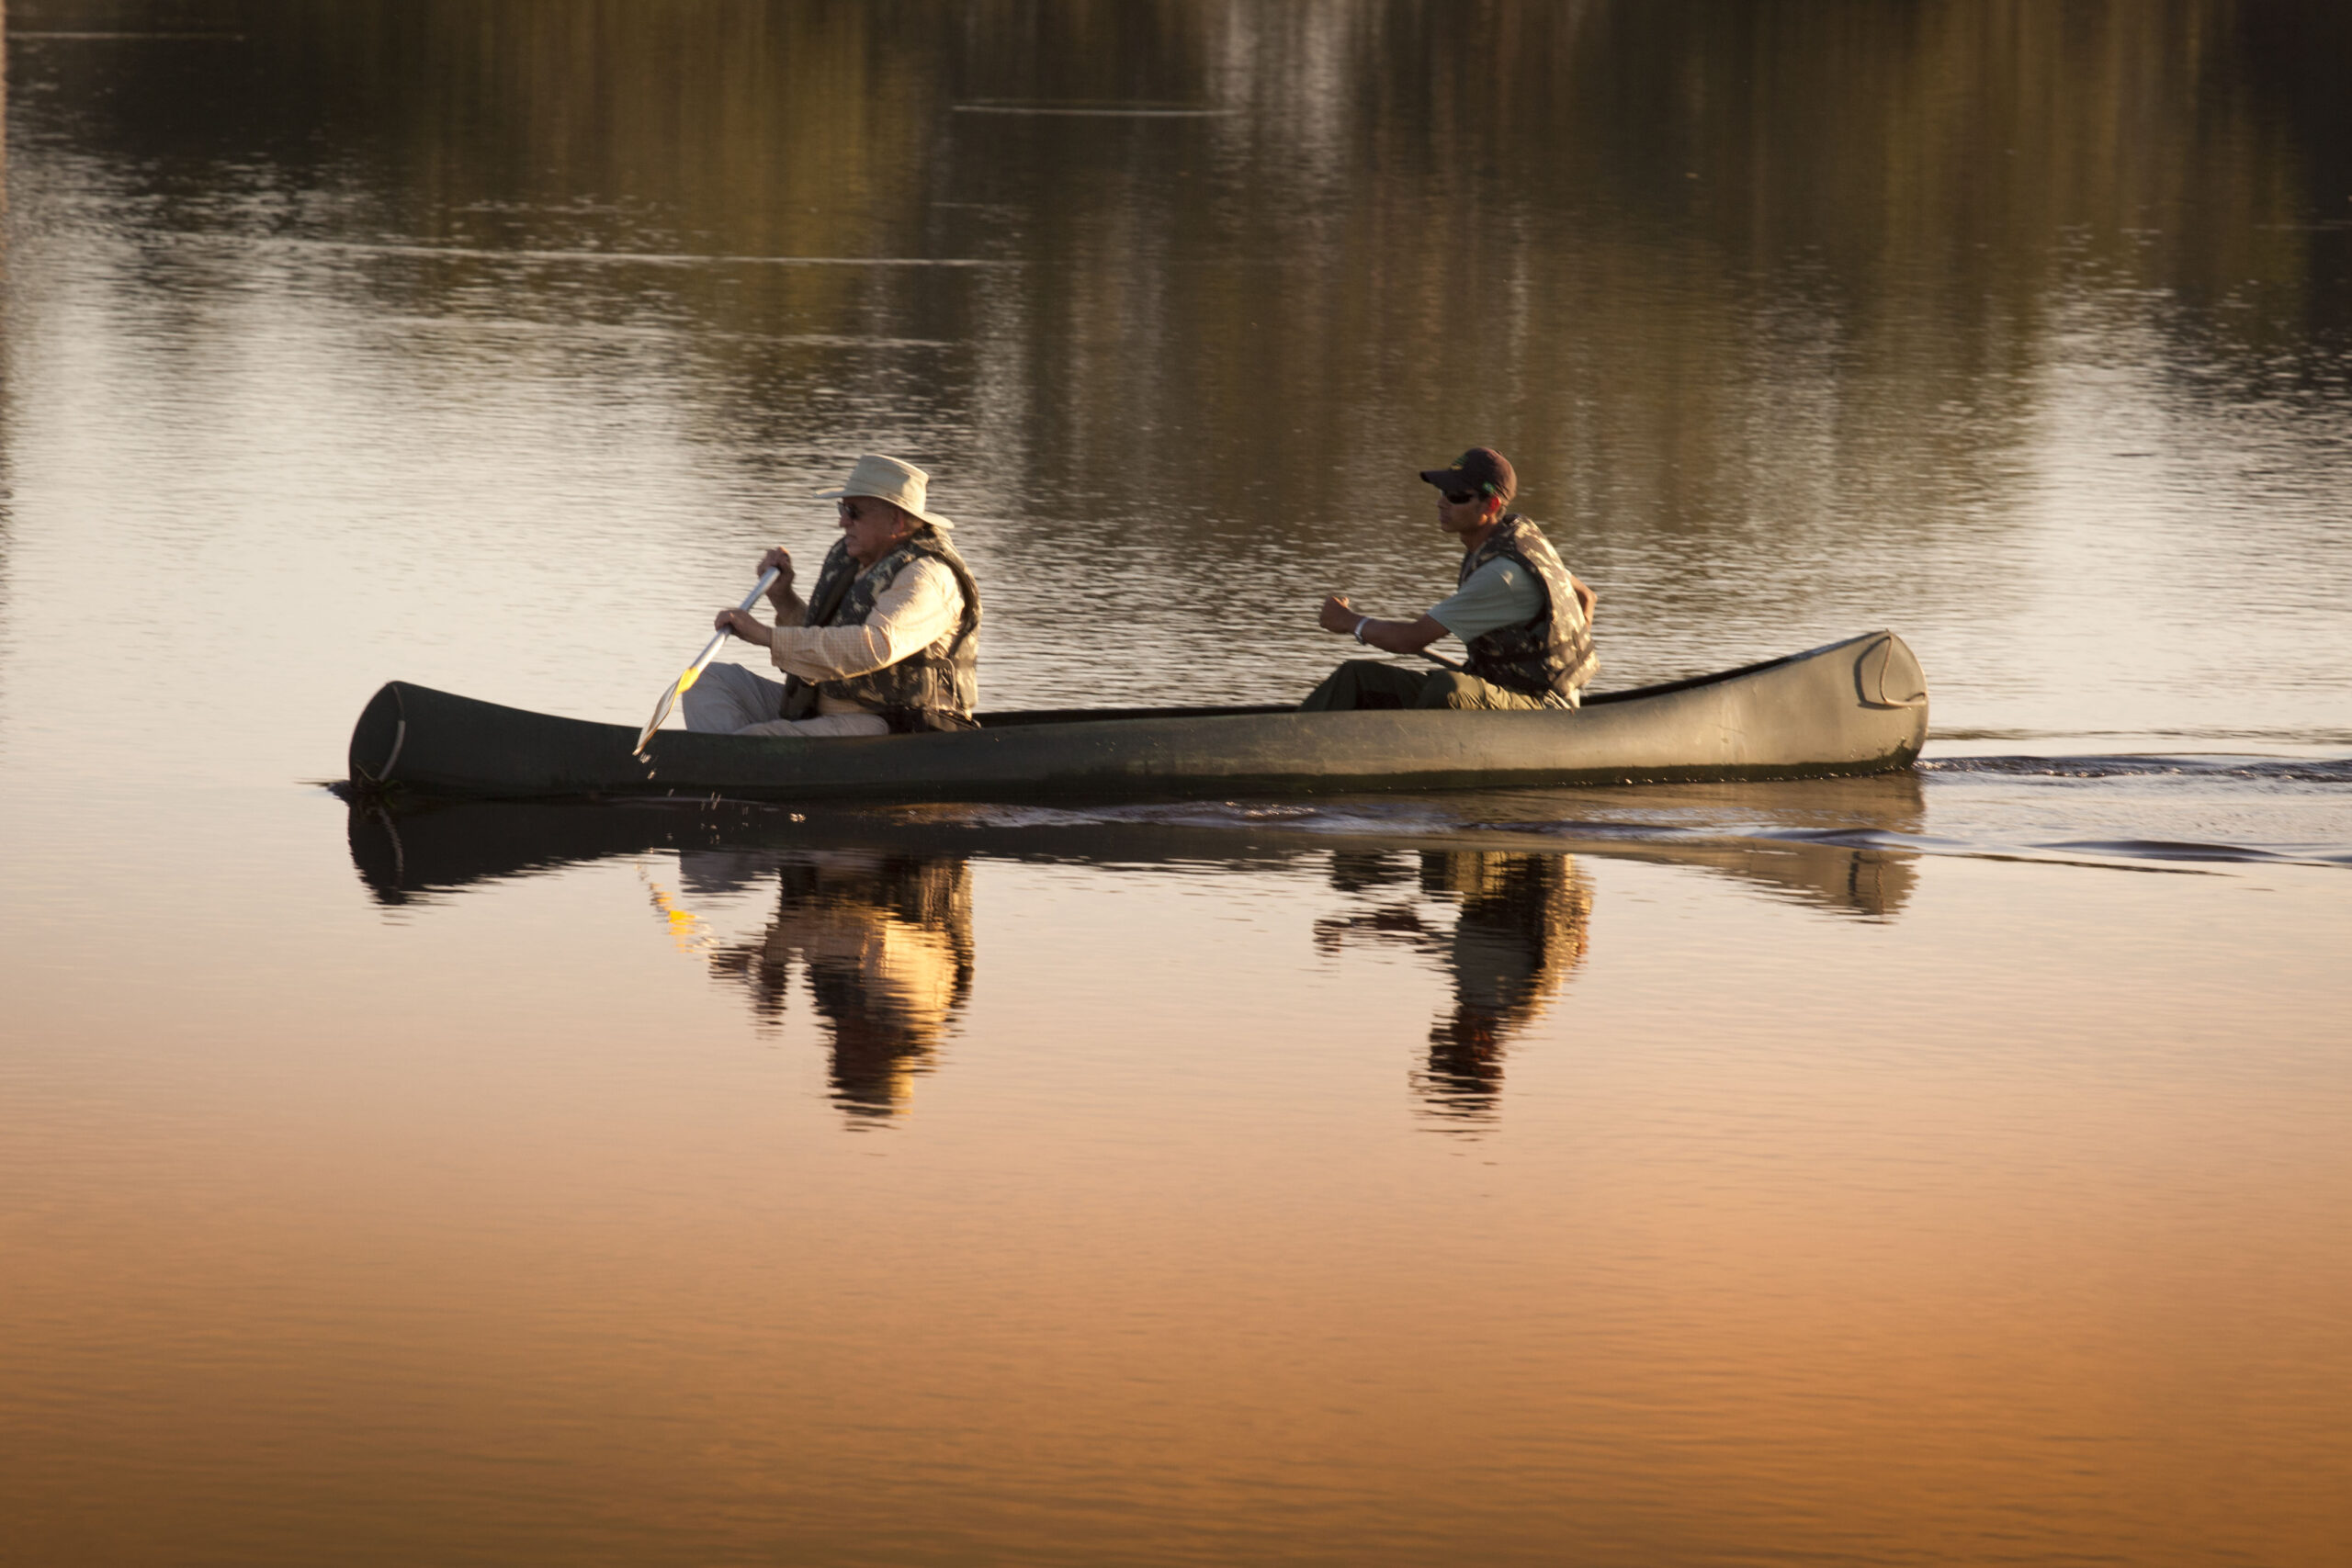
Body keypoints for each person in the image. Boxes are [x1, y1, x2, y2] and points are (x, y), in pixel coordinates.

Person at [684, 454, 981, 738]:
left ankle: (732, 764)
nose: (842, 522)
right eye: (842, 509)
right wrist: (782, 598)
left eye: (854, 513)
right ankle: (730, 763)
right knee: (705, 681)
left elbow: (874, 646)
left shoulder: (928, 576)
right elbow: (821, 644)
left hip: (890, 722)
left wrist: (766, 636)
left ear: (896, 522)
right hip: (820, 705)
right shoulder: (860, 561)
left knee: (758, 739)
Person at [1300, 446, 1597, 712]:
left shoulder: (1500, 575)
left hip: (1543, 707)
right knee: (1356, 677)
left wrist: (1351, 622)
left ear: (1490, 505)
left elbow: (1411, 639)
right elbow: (1586, 596)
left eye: (1456, 497)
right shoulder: (1513, 540)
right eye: (1442, 492)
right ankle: (1295, 738)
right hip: (1502, 691)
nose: (1442, 503)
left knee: (1448, 689)